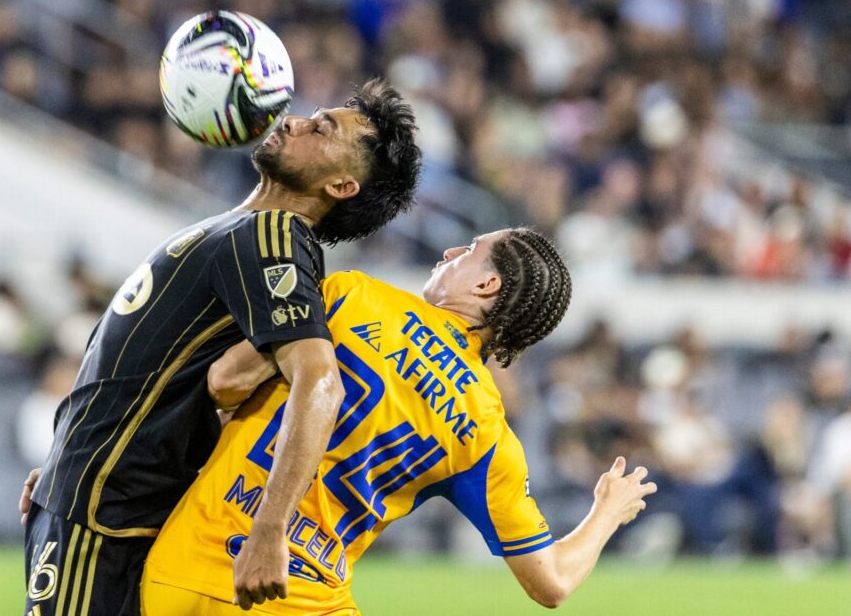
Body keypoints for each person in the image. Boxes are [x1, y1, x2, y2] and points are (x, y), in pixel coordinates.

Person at [20, 79, 421, 616]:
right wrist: (66, 452)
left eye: (321, 129)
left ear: (343, 186)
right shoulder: (242, 229)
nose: (296, 120)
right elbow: (149, 362)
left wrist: (270, 528)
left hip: (109, 512)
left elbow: (320, 379)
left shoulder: (274, 235)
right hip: (92, 494)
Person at [139, 227, 657, 614]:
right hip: (300, 597)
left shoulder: (352, 296)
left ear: (487, 283)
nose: (452, 252)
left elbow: (224, 382)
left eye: (469, 249)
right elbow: (551, 583)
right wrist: (608, 510)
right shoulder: (486, 434)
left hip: (186, 567)